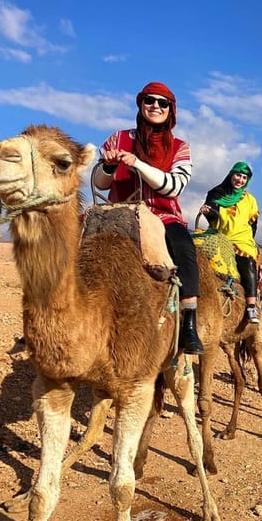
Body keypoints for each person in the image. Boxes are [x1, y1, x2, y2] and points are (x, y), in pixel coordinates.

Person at [91, 81, 204, 354]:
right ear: (141, 104)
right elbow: (98, 183)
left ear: (171, 110)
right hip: (120, 214)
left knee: (185, 250)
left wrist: (137, 164)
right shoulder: (118, 139)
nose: (155, 106)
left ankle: (188, 324)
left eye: (162, 103)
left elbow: (174, 186)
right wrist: (108, 164)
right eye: (150, 101)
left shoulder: (179, 147)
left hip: (163, 216)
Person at [199, 161, 261, 324]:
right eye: (238, 175)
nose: (240, 180)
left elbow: (253, 225)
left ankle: (251, 306)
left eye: (244, 177)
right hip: (218, 236)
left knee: (248, 265)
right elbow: (213, 215)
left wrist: (246, 240)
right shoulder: (216, 193)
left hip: (242, 241)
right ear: (231, 174)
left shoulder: (250, 200)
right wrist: (207, 212)